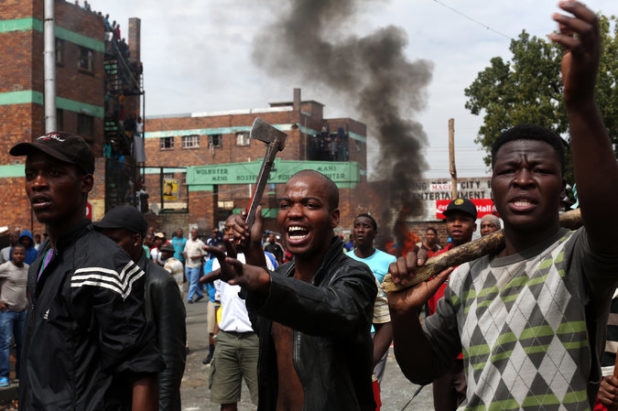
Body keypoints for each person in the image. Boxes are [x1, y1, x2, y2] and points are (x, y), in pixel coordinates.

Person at [387, 4, 618, 408]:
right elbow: (423, 368)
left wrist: (580, 102)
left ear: (564, 190)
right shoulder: (462, 277)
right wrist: (404, 318)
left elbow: (609, 219)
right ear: (492, 191)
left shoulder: (576, 258)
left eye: (540, 170)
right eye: (509, 170)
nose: (523, 179)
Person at [10, 132, 163, 410]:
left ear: (86, 183)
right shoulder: (44, 257)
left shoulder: (105, 265)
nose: (38, 183)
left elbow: (142, 372)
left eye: (54, 173)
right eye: (31, 174)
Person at [209, 170, 377, 410]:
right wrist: (253, 250)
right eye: (286, 205)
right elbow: (262, 325)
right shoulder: (281, 275)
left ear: (334, 218)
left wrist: (264, 280)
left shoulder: (354, 274)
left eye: (310, 205)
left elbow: (336, 311)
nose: (294, 213)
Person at [94, 206, 187, 411]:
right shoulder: (104, 278)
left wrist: (163, 405)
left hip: (147, 396)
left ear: (136, 239)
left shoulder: (159, 282)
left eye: (114, 241)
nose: (107, 249)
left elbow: (171, 355)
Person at [207, 215, 276, 410]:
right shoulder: (218, 262)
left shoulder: (263, 259)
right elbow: (220, 301)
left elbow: (272, 296)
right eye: (227, 228)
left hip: (255, 339)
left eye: (235, 228)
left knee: (264, 399)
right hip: (226, 338)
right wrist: (216, 333)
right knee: (226, 400)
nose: (231, 232)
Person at [427, 198, 477, 410]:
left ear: (474, 227)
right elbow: (430, 306)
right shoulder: (436, 261)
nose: (456, 224)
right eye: (452, 219)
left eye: (463, 220)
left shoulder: (484, 260)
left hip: (473, 353)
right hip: (443, 354)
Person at [347, 213, 397, 398]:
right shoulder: (344, 260)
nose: (361, 230)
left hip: (377, 330)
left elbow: (392, 297)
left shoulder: (388, 261)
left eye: (366, 226)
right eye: (357, 226)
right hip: (350, 331)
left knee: (371, 382)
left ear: (375, 233)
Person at [0, 245, 28, 387]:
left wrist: (28, 302)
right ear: (12, 255)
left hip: (22, 312)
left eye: (21, 253)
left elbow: (28, 287)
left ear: (25, 255)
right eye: (16, 253)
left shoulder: (28, 268)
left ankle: (19, 375)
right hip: (7, 312)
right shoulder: (5, 267)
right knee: (5, 344)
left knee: (22, 344)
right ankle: (4, 376)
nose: (19, 256)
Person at [184, 228, 206, 303]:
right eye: (192, 233)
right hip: (187, 264)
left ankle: (189, 298)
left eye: (195, 233)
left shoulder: (200, 243)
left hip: (196, 265)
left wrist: (196, 257)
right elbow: (185, 250)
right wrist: (184, 254)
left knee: (193, 282)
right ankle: (199, 294)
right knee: (190, 282)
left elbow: (204, 253)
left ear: (197, 234)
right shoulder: (188, 242)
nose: (193, 234)